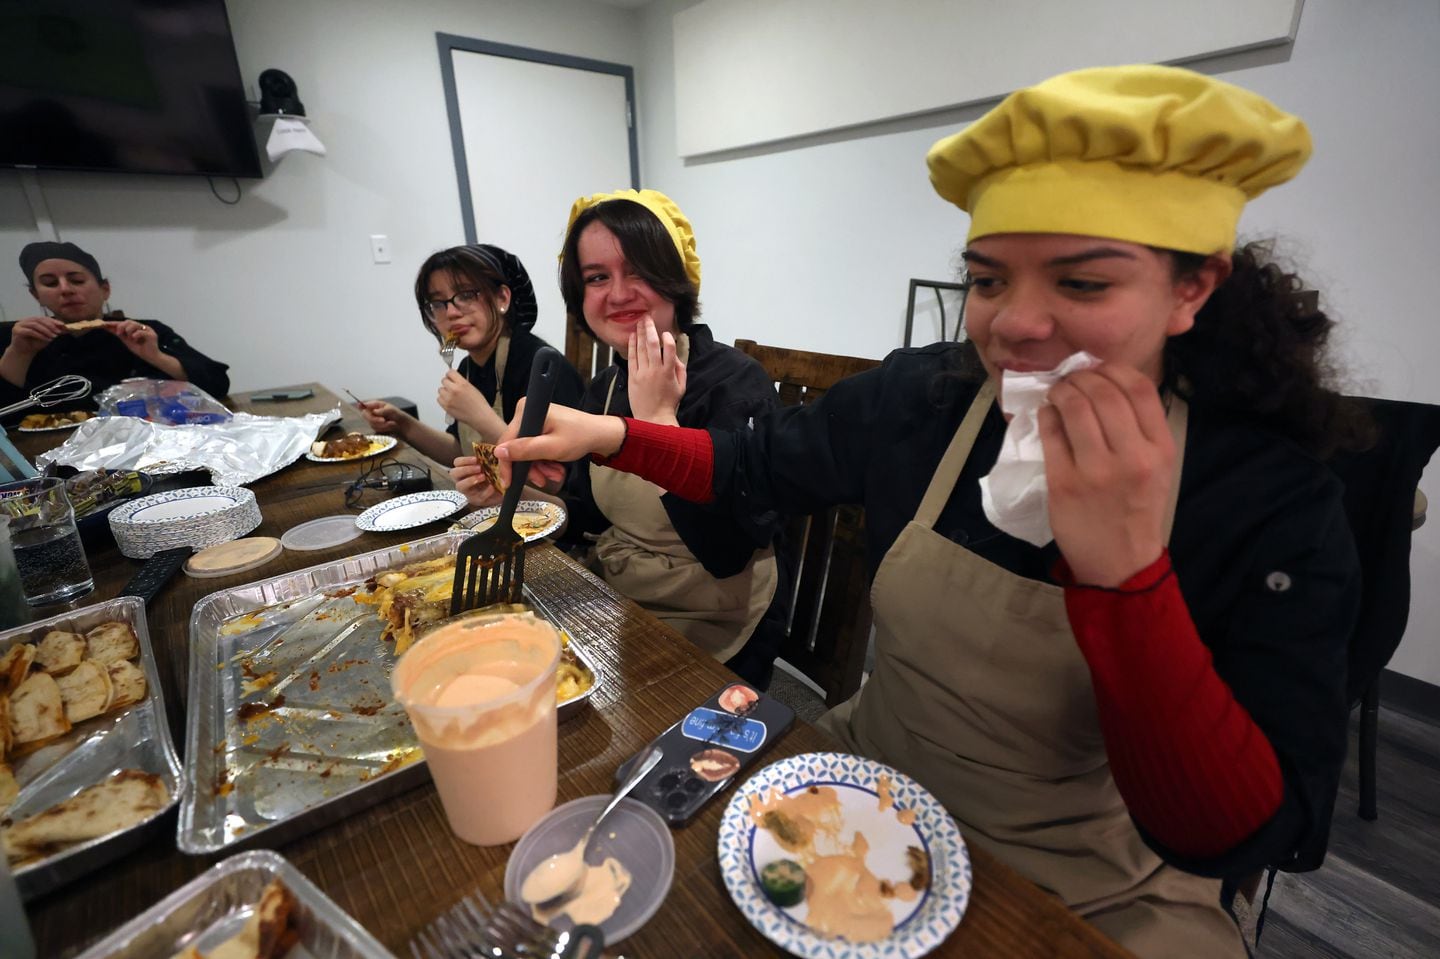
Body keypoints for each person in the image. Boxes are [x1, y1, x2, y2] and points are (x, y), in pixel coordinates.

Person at [481, 68, 1372, 957]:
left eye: (1085, 285)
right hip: (873, 784)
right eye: (988, 280)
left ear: (1192, 288)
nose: (1016, 324)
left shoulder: (1265, 498)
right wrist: (610, 432)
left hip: (1098, 882)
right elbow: (758, 465)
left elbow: (1245, 833)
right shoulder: (929, 397)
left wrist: (1128, 580)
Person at [453, 190, 788, 684]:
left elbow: (726, 551)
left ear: (677, 282)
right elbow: (587, 513)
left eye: (640, 271)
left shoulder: (735, 385)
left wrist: (658, 422)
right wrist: (520, 492)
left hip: (717, 626)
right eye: (597, 278)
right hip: (623, 602)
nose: (618, 293)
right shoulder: (606, 387)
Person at [358, 244, 582, 463]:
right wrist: (403, 425)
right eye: (438, 303)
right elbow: (460, 450)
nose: (451, 312)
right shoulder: (468, 367)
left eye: (466, 295)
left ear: (502, 298)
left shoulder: (540, 366)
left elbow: (552, 478)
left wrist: (480, 415)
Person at [1, 242, 231, 415]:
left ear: (105, 289)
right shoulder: (20, 339)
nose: (65, 290)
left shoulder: (144, 331)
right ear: (36, 295)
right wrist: (19, 355)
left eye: (77, 280)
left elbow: (217, 384)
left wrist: (157, 357)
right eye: (50, 283)